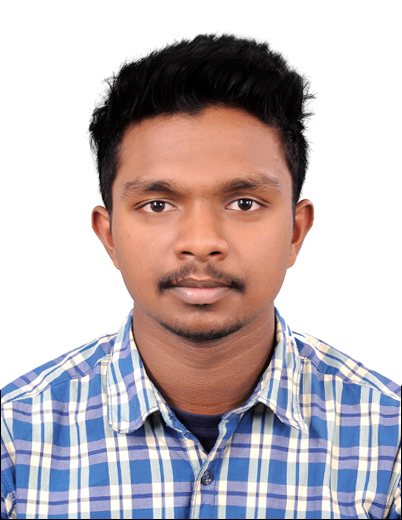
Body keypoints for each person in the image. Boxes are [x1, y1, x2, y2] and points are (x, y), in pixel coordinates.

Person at [1, 32, 400, 519]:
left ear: (297, 231)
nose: (201, 241)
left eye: (244, 203)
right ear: (108, 236)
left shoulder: (390, 438)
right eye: (158, 204)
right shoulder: (13, 436)